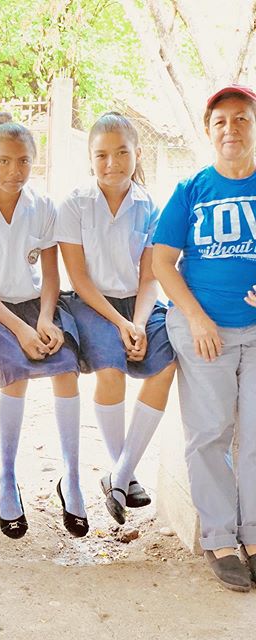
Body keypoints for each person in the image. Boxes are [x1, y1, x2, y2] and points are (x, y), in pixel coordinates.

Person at [0, 113, 85, 539]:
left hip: (39, 305)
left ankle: (73, 477)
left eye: (24, 161)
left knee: (66, 368)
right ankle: (7, 478)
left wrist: (45, 319)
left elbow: (51, 276)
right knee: (17, 372)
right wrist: (21, 331)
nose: (15, 171)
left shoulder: (43, 207)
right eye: (4, 161)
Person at [153, 85, 256, 592]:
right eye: (221, 121)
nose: (231, 129)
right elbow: (160, 262)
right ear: (208, 129)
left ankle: (254, 538)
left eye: (241, 119)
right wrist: (194, 317)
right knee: (210, 432)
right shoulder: (192, 189)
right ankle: (219, 537)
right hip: (206, 332)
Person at [56, 112, 176, 526]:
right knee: (112, 367)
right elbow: (78, 277)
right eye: (102, 155)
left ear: (137, 153)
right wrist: (119, 324)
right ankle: (122, 471)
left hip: (138, 305)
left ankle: (120, 476)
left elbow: (149, 277)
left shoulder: (149, 206)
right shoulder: (74, 203)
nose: (112, 163)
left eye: (122, 152)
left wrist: (140, 322)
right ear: (90, 159)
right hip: (90, 304)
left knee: (167, 362)